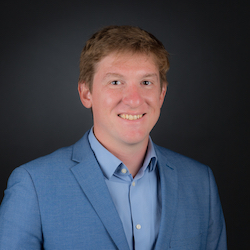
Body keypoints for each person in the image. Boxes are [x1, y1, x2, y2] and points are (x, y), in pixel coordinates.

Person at [0, 25, 227, 249]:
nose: (134, 99)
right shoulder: (33, 185)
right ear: (86, 93)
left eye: (146, 82)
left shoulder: (200, 182)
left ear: (161, 94)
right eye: (116, 82)